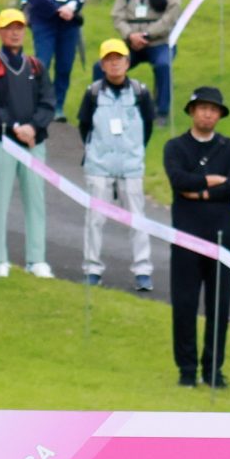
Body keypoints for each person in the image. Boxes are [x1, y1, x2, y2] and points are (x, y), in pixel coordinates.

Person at [163, 84, 230, 387]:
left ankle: (213, 370)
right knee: (184, 304)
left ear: (219, 115)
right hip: (186, 236)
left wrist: (199, 191)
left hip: (222, 238)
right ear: (192, 111)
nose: (208, 114)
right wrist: (212, 182)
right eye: (203, 109)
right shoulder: (175, 147)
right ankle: (186, 370)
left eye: (213, 110)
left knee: (219, 307)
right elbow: (178, 180)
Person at [75, 38, 155, 291]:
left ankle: (143, 270)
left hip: (131, 167)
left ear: (127, 62)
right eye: (109, 59)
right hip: (99, 166)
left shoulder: (140, 93)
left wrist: (133, 152)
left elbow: (148, 126)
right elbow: (84, 126)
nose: (114, 64)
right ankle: (92, 268)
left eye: (118, 58)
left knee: (138, 220)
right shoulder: (93, 93)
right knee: (95, 219)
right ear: (102, 65)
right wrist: (97, 153)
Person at [0, 8, 55, 280]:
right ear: (0, 32)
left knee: (35, 202)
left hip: (33, 143)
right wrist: (15, 126)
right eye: (9, 28)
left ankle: (36, 259)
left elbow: (47, 103)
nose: (15, 33)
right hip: (2, 141)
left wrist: (33, 127)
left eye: (19, 28)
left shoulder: (36, 66)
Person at [21, 0, 87, 112]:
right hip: (45, 23)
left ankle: (58, 105)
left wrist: (71, 8)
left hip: (69, 24)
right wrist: (58, 9)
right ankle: (41, 102)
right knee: (42, 63)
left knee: (65, 66)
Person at [112, 0, 182, 115]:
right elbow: (117, 16)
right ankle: (106, 104)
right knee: (103, 65)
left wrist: (147, 34)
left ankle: (161, 111)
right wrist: (130, 35)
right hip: (132, 43)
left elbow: (172, 15)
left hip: (160, 42)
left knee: (163, 65)